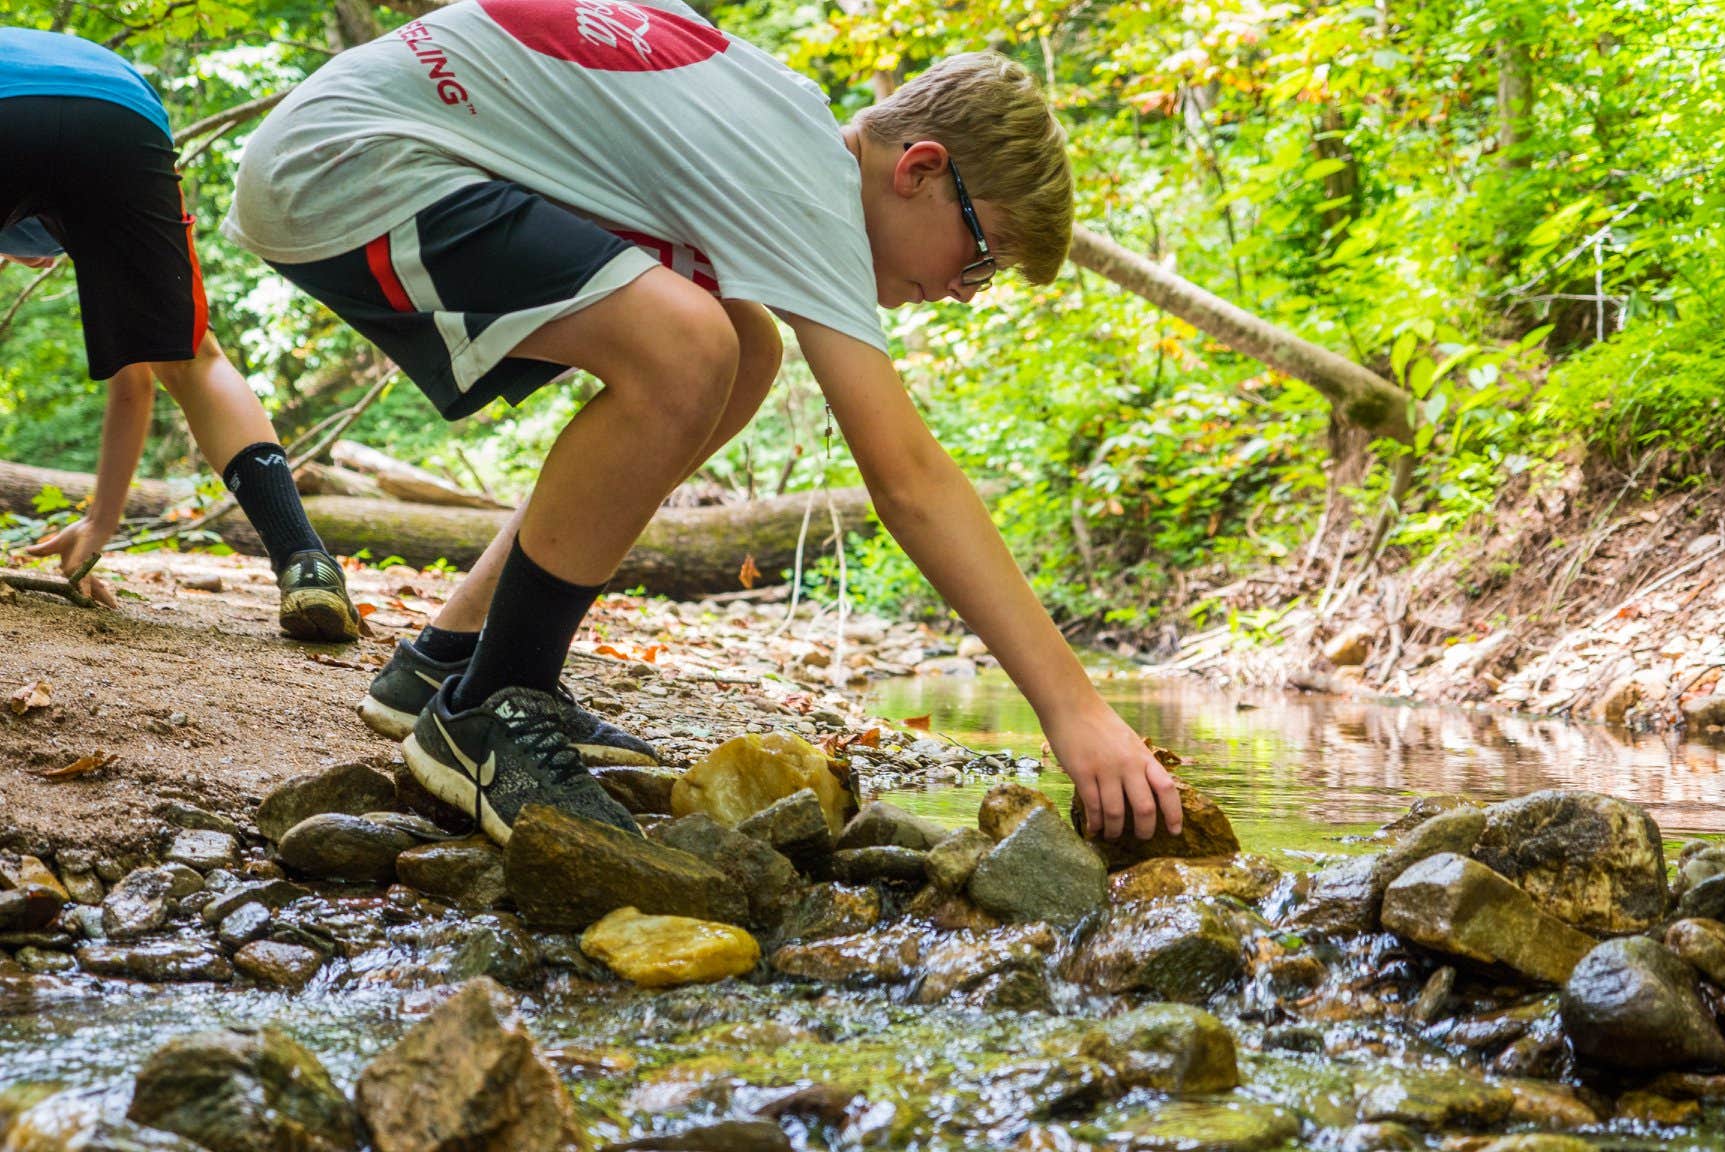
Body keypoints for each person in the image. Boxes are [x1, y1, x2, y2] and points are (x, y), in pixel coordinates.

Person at [224, 0, 1184, 844]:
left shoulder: (787, 121)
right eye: (979, 259)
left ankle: (446, 664)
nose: (958, 293)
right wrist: (1075, 711)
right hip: (347, 167)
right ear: (921, 169)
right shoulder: (806, 184)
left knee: (741, 346)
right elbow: (907, 478)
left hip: (370, 140)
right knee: (689, 350)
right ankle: (487, 712)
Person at [0, 28, 360, 642]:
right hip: (122, 108)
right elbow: (136, 379)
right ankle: (306, 563)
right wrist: (100, 524)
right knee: (194, 358)